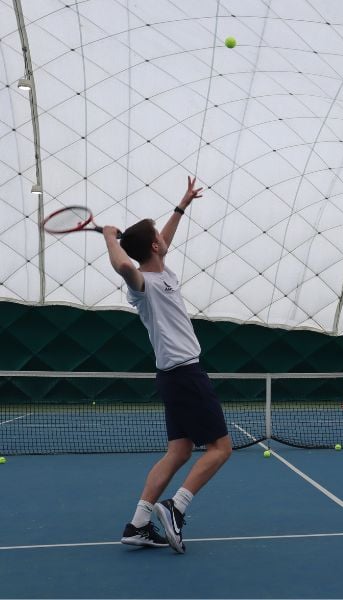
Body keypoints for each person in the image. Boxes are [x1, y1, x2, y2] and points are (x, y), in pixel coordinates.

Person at [105, 177, 233, 554]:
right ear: (155, 246)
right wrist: (110, 239)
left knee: (178, 452)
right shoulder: (142, 281)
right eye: (159, 234)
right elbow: (123, 267)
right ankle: (175, 509)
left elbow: (161, 241)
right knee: (220, 448)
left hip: (172, 377)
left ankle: (139, 524)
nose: (163, 236)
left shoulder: (164, 272)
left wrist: (182, 205)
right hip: (185, 374)